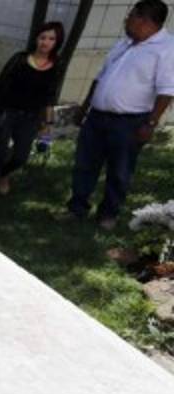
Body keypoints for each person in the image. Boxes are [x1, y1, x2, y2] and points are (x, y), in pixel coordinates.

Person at [68, 0, 173, 230]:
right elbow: (100, 78)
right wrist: (85, 107)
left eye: (131, 15)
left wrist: (151, 123)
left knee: (119, 171)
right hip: (97, 116)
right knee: (85, 164)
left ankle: (108, 214)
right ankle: (77, 208)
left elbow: (166, 91)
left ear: (145, 21)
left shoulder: (166, 49)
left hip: (130, 122)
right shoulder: (124, 43)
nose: (126, 20)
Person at [0, 21, 65, 213]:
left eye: (51, 39)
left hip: (30, 117)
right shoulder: (19, 59)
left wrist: (48, 124)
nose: (45, 42)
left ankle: (2, 175)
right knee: (0, 152)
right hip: (5, 111)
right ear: (36, 38)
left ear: (57, 42)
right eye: (42, 37)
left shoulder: (57, 66)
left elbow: (50, 98)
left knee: (20, 157)